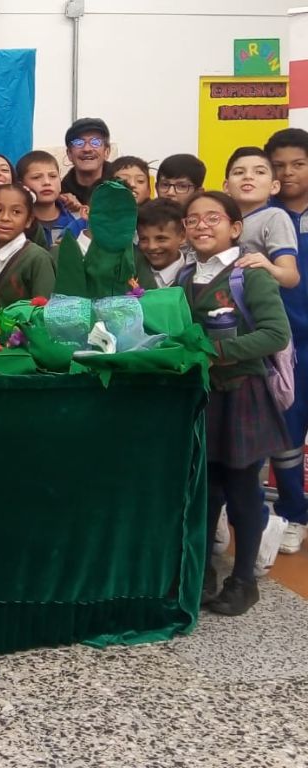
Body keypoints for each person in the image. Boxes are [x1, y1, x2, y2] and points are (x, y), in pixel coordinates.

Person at [180, 191, 291, 615]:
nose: (202, 226)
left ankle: (244, 579)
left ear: (235, 227)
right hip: (206, 397)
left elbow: (275, 334)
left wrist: (217, 353)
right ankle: (203, 571)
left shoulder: (250, 274)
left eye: (213, 218)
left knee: (244, 488)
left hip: (243, 391)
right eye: (193, 220)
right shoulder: (186, 279)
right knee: (205, 487)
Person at [264, 128, 308, 554]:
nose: (288, 172)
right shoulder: (263, 214)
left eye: (298, 163)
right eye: (278, 166)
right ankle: (294, 514)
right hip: (286, 344)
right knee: (287, 433)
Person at [223, 147, 299, 290]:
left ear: (274, 186)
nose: (248, 177)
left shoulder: (275, 217)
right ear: (226, 186)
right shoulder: (220, 220)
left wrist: (267, 266)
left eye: (259, 172)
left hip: (257, 305)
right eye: (239, 172)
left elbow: (291, 277)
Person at [0, 182, 57, 309]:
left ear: (29, 220)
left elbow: (44, 310)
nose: (5, 218)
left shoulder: (38, 259)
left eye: (16, 212)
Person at [17, 150, 85, 248]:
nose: (46, 182)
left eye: (53, 176)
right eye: (36, 177)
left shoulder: (78, 218)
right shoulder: (17, 224)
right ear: (21, 186)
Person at [135, 199, 187, 289]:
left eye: (161, 239)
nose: (152, 246)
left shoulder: (193, 277)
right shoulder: (131, 274)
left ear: (182, 237)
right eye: (143, 239)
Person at [60, 117, 112, 207]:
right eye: (79, 143)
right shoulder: (61, 196)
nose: (87, 149)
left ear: (106, 151)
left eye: (95, 142)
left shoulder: (124, 186)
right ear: (69, 153)